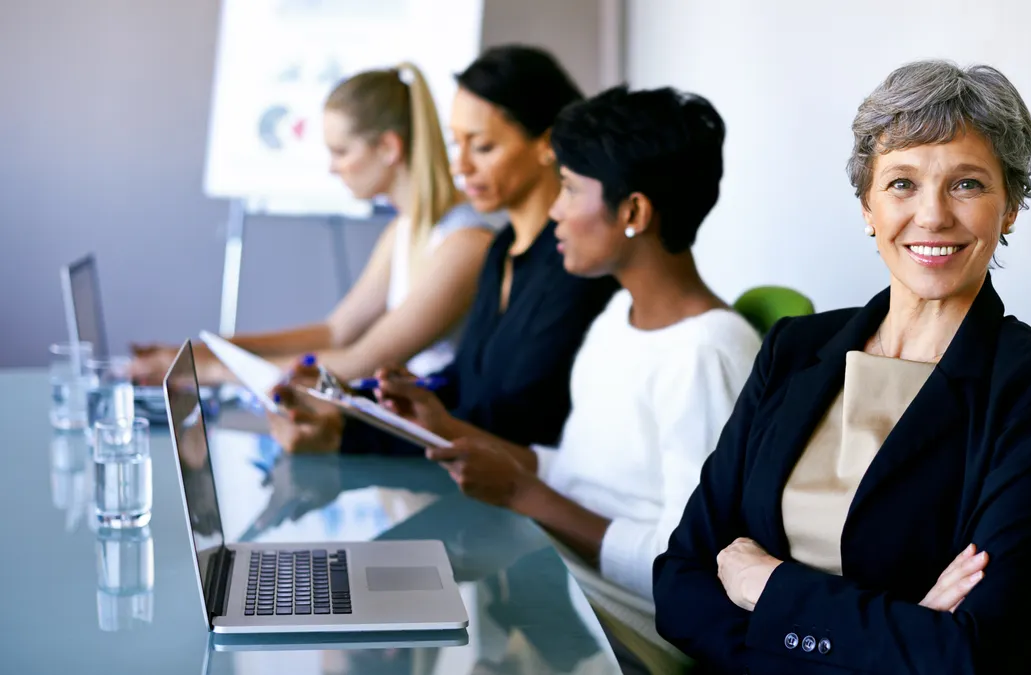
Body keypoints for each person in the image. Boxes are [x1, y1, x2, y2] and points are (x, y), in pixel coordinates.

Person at [652, 60, 1031, 675]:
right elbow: (680, 583)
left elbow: (975, 655)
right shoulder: (793, 349)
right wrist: (891, 634)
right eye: (901, 184)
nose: (933, 215)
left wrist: (770, 590)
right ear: (867, 205)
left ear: (1010, 208)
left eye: (967, 184)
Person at [365, 86, 761, 675]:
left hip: (624, 628)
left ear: (633, 213)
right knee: (374, 583)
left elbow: (689, 565)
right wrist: (446, 426)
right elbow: (579, 477)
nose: (553, 209)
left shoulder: (706, 352)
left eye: (571, 189)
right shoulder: (616, 317)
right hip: (554, 578)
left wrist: (523, 493)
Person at [270, 45, 619, 453]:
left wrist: (349, 432)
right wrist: (353, 410)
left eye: (483, 147)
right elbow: (462, 389)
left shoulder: (575, 267)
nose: (461, 165)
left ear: (546, 144)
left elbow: (513, 425)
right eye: (458, 145)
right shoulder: (502, 249)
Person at [132, 62, 499, 384]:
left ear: (389, 147)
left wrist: (206, 371)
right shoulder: (404, 230)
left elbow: (361, 361)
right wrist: (203, 352)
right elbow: (335, 332)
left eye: (341, 151)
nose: (331, 167)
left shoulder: (463, 242)